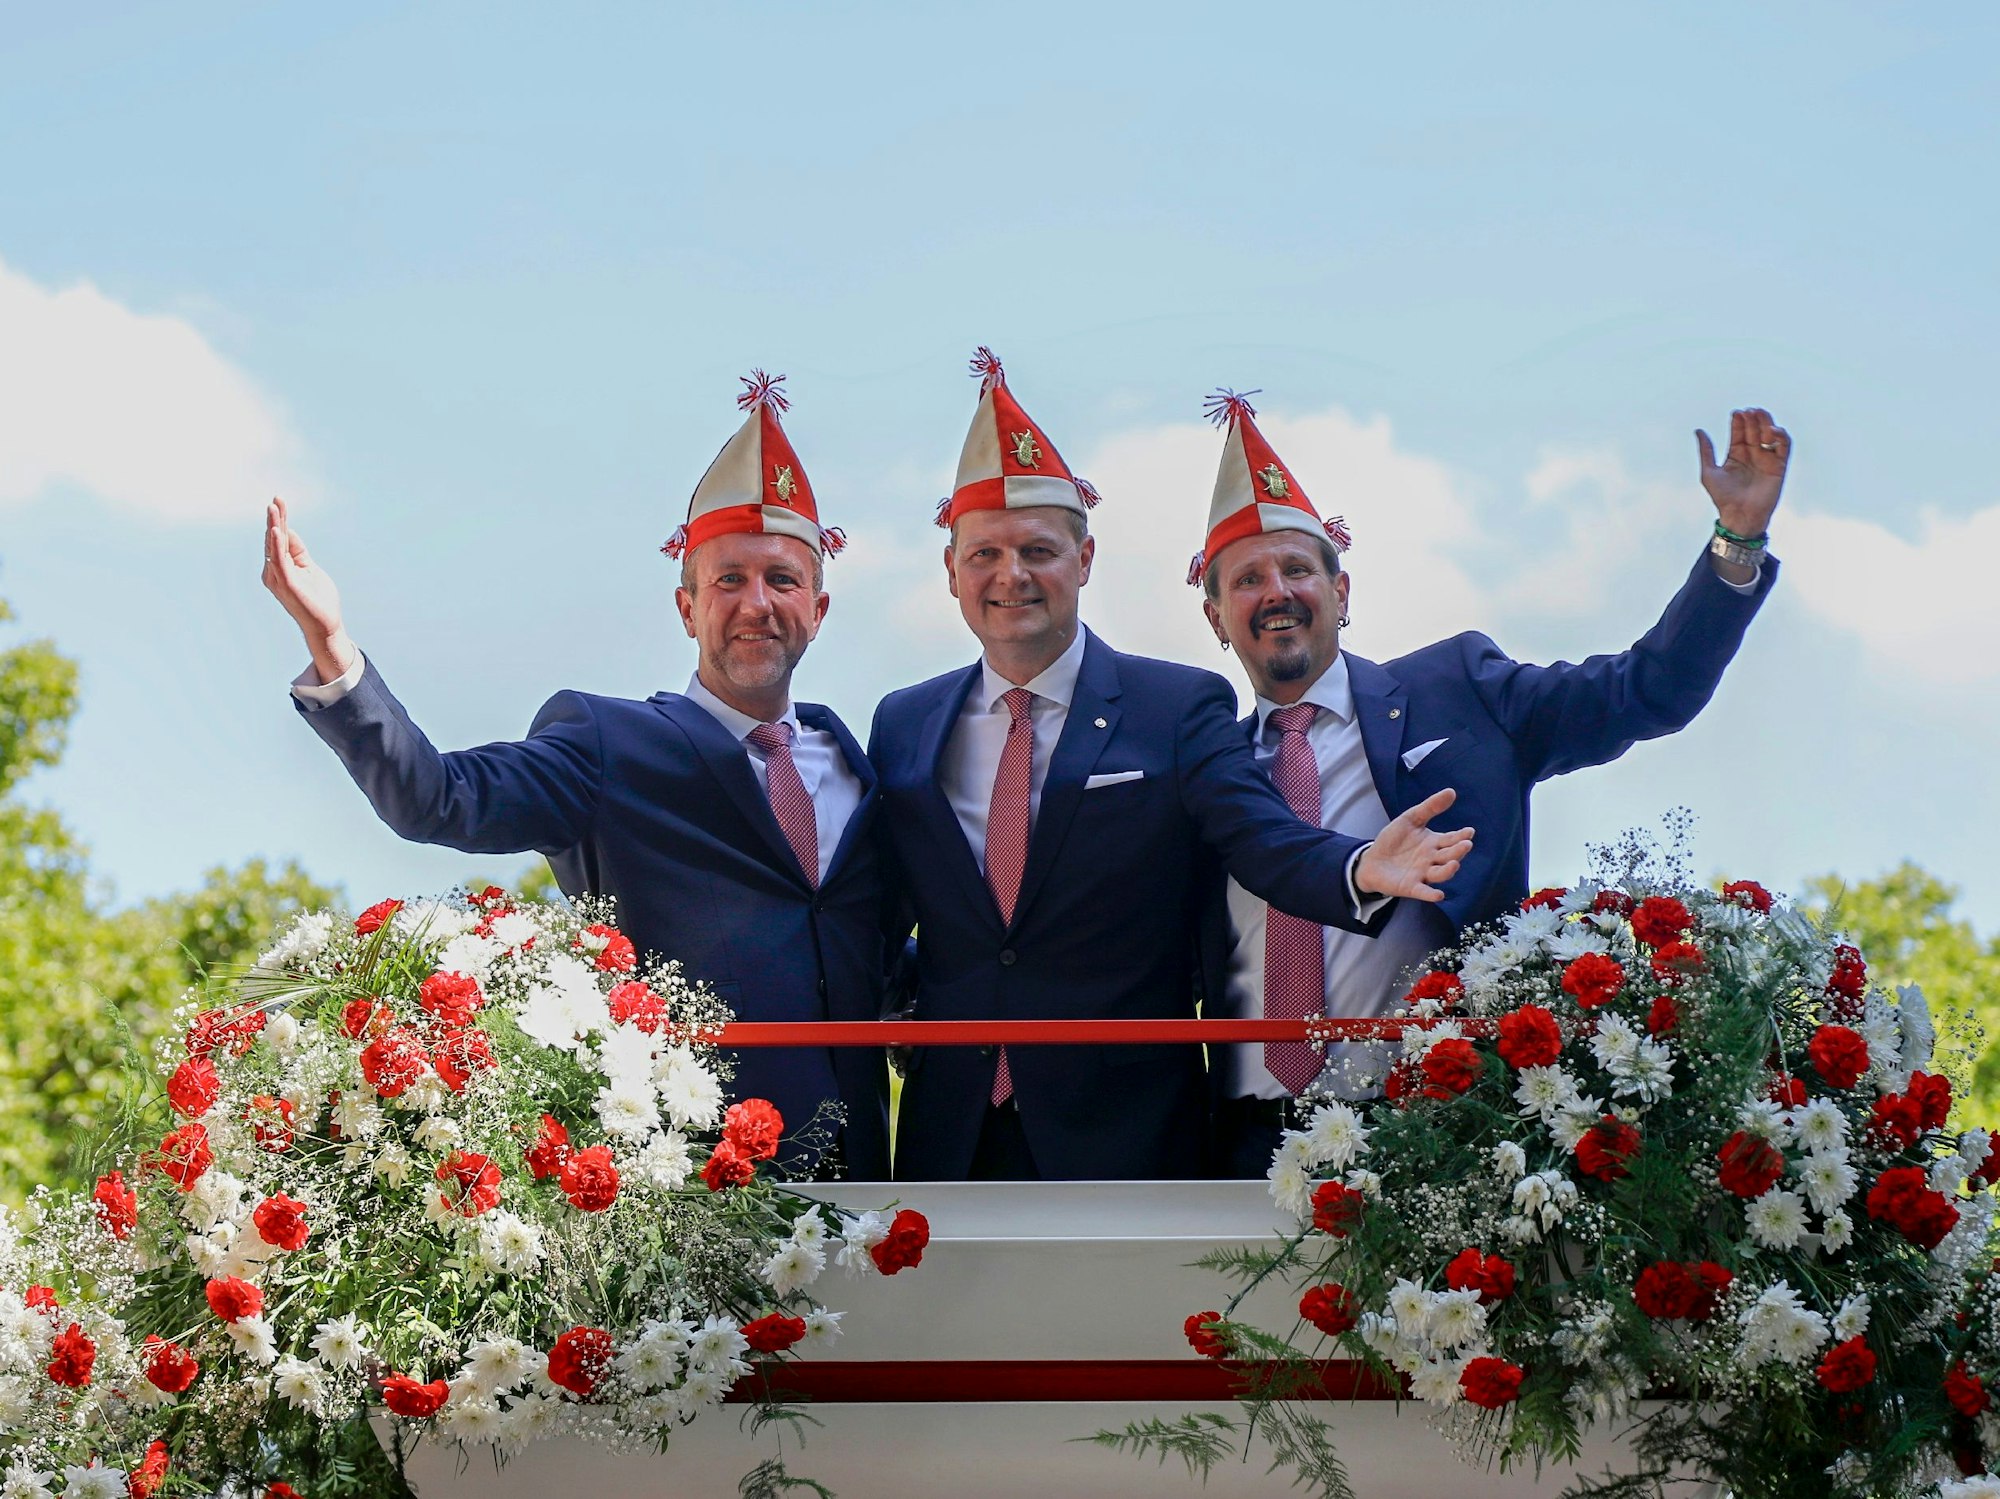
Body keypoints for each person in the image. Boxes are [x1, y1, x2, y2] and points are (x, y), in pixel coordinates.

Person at [261, 373, 893, 1178]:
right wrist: (333, 645)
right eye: (728, 578)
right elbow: (438, 798)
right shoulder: (608, 742)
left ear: (819, 606)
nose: (756, 602)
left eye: (782, 579)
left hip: (872, 1190)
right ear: (685, 606)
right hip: (681, 1190)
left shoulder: (857, 764)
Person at [869, 350, 1475, 1182]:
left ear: (1083, 562)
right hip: (951, 1134)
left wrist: (1359, 866)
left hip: (1125, 1133)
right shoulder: (904, 723)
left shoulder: (1173, 706)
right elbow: (880, 902)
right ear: (951, 573)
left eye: (1038, 551)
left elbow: (1261, 837)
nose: (1011, 575)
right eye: (985, 555)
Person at [1189, 388, 1786, 1177]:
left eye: (1298, 567)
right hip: (1241, 1142)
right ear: (1216, 618)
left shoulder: (1459, 687)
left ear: (1342, 593)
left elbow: (1647, 689)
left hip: (1433, 1123)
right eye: (1248, 579)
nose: (1277, 591)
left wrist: (1735, 543)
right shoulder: (1203, 766)